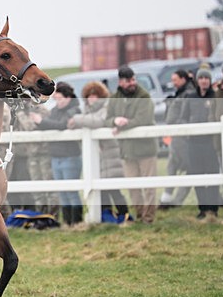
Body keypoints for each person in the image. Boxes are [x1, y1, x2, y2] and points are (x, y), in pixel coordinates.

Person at [68, 81, 131, 223]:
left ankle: (125, 215)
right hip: (95, 156)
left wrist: (76, 119)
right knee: (100, 190)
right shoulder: (86, 111)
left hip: (109, 154)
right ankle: (107, 217)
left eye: (94, 95)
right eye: (89, 96)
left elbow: (98, 122)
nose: (91, 99)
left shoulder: (106, 108)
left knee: (113, 189)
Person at [105, 66, 158, 224]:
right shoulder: (114, 98)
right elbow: (107, 119)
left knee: (149, 186)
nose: (132, 83)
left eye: (133, 79)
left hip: (146, 149)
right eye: (128, 81)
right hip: (127, 150)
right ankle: (140, 214)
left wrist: (122, 125)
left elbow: (143, 119)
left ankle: (149, 217)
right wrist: (115, 121)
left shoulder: (144, 96)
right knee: (132, 186)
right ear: (121, 82)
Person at [30, 82, 82, 225]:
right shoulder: (55, 110)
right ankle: (67, 222)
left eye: (60, 99)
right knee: (62, 192)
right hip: (56, 157)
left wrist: (41, 121)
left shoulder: (75, 110)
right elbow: (50, 125)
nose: (58, 102)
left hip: (70, 156)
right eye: (56, 99)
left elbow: (61, 125)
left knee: (71, 192)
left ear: (68, 97)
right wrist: (39, 124)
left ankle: (77, 222)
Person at [182, 67, 220, 219]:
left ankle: (213, 209)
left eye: (206, 78)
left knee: (212, 174)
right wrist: (188, 131)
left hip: (210, 143)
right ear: (197, 81)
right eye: (201, 78)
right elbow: (183, 117)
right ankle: (203, 209)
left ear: (210, 81)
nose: (204, 81)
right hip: (194, 143)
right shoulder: (190, 97)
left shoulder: (215, 97)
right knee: (197, 175)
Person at [159, 70, 194, 209]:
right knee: (172, 166)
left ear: (183, 79)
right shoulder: (180, 93)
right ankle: (167, 199)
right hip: (176, 136)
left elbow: (186, 114)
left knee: (189, 167)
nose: (173, 83)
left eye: (176, 80)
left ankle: (176, 200)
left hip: (184, 137)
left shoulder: (188, 93)